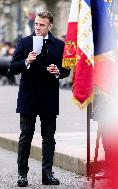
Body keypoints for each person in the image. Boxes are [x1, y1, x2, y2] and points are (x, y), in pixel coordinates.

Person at [9, 11, 70, 187]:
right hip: (28, 96)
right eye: (36, 24)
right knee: (25, 136)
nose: (37, 27)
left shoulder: (59, 45)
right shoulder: (25, 42)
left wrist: (58, 71)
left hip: (49, 97)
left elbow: (66, 70)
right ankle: (22, 175)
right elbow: (12, 68)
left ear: (50, 26)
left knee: (49, 138)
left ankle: (47, 174)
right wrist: (26, 61)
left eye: (42, 25)